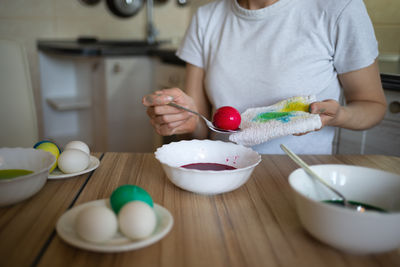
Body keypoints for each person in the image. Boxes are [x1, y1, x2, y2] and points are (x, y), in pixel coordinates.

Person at [143, 0, 387, 154]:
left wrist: (339, 116)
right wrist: (186, 120)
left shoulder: (339, 8)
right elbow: (202, 127)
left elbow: (372, 106)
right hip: (223, 171)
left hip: (299, 177)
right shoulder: (206, 18)